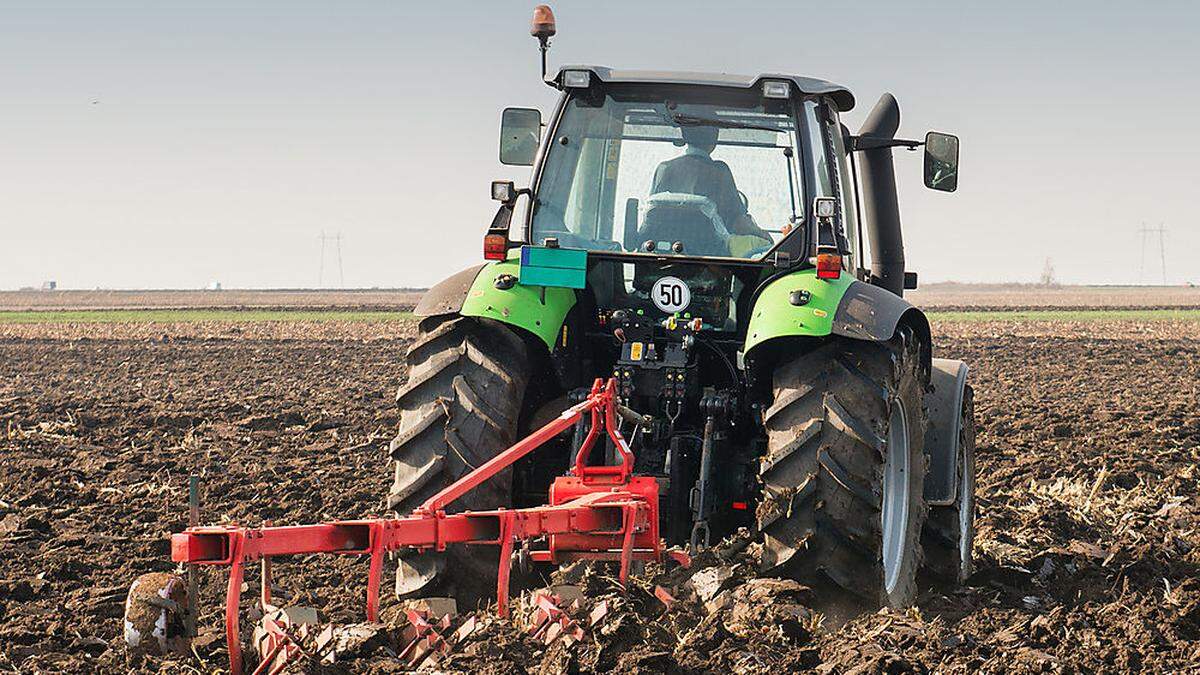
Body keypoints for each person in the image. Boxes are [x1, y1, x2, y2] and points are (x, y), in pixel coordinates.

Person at [650, 125, 772, 257]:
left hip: (663, 253)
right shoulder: (719, 171)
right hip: (711, 260)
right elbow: (737, 222)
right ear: (714, 138)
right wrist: (764, 235)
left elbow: (653, 214)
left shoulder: (664, 168)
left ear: (684, 135)